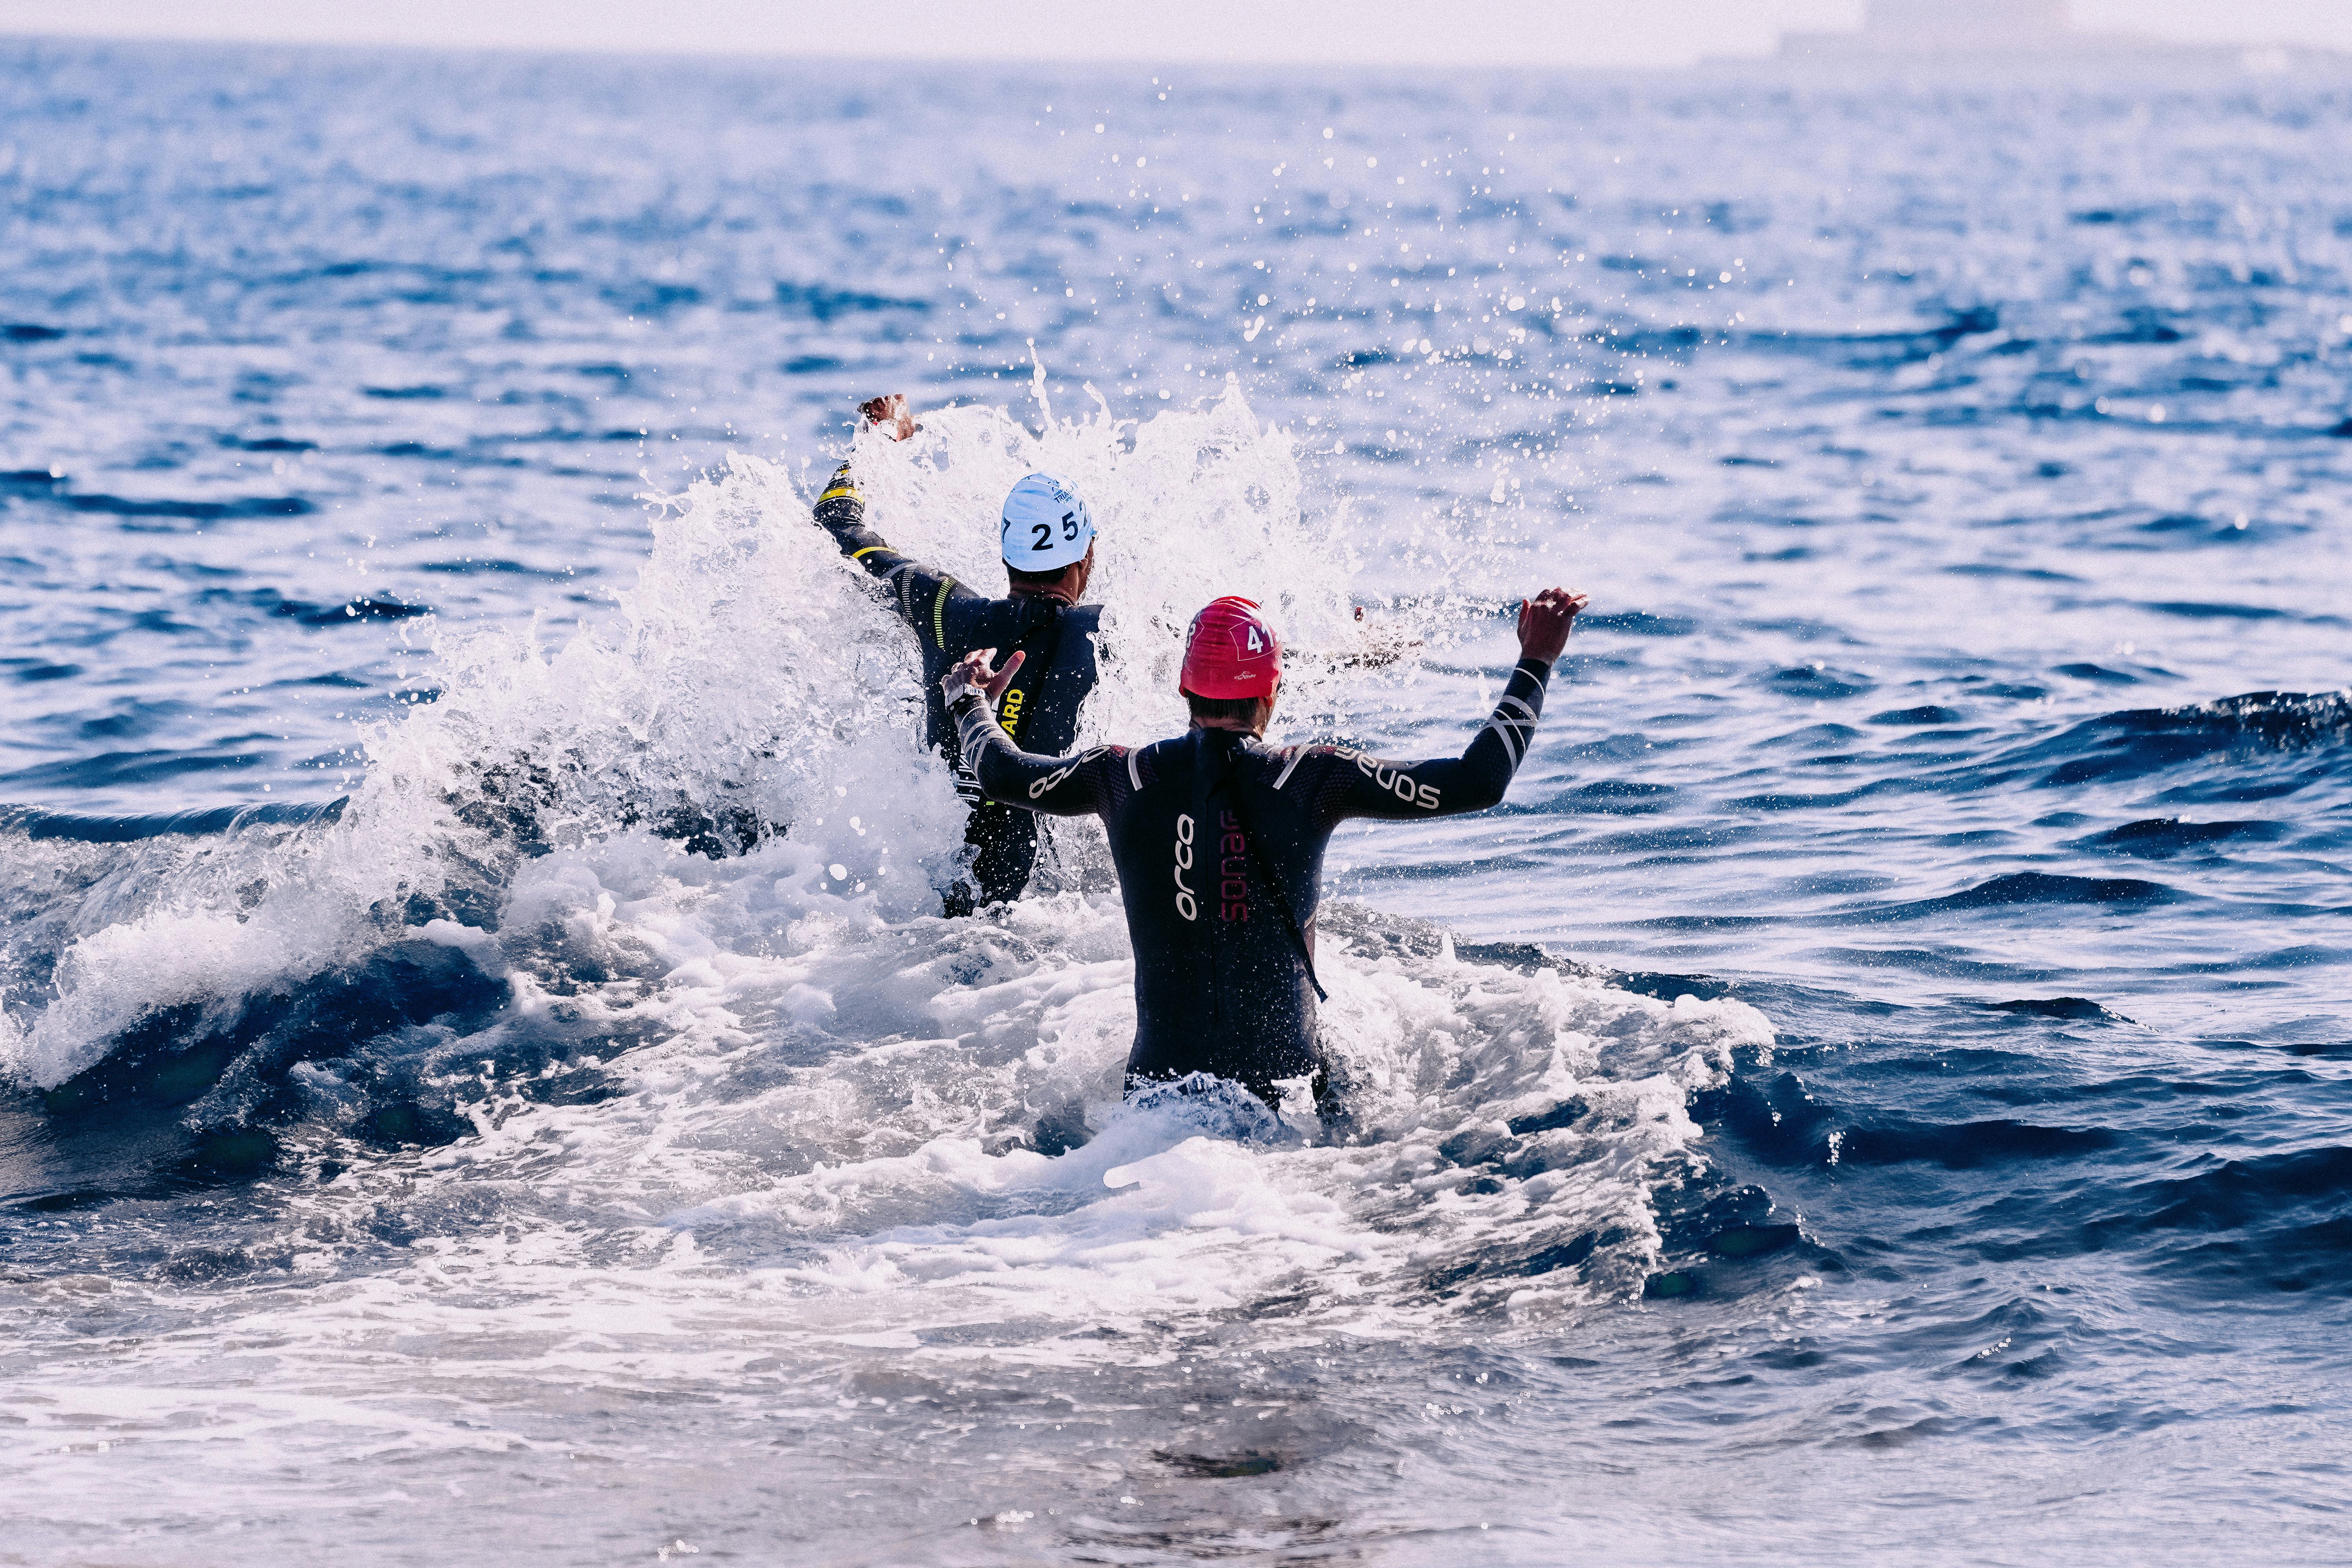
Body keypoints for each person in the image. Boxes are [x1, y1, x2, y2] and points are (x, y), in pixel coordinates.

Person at [937, 587, 1587, 1110]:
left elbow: (1002, 775)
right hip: (1288, 1102)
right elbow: (1479, 781)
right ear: (1272, 690)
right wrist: (1536, 661)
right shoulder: (1310, 778)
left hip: (1155, 1102)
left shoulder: (1119, 775)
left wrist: (969, 703)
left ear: (1184, 689)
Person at [813, 393, 1103, 916]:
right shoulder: (1103, 632)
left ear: (1006, 555)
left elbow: (836, 519)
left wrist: (881, 439)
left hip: (933, 897)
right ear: (1086, 553)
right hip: (1047, 922)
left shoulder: (942, 606)